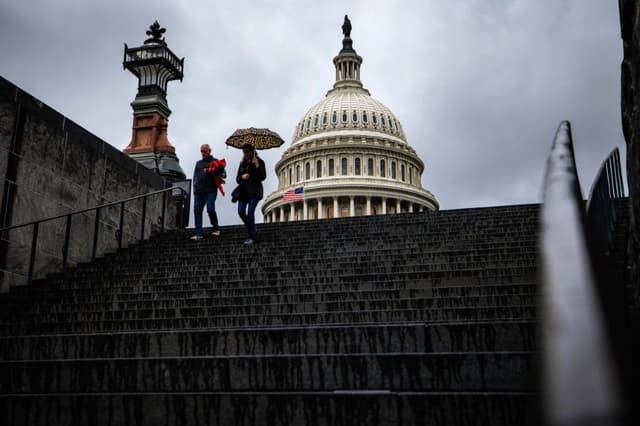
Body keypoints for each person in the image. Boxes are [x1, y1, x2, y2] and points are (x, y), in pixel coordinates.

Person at [191, 144, 225, 240]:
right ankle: (198, 233)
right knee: (197, 211)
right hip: (199, 191)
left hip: (211, 190)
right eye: (201, 151)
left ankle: (215, 228)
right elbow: (195, 176)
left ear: (209, 151)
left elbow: (223, 174)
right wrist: (195, 188)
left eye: (204, 151)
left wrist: (212, 171)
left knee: (210, 209)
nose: (203, 153)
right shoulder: (198, 163)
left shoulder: (216, 162)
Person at [235, 143, 266, 245]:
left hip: (254, 191)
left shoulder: (260, 161)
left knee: (250, 212)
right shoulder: (242, 163)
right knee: (240, 211)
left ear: (252, 151)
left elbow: (263, 177)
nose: (245, 154)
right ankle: (254, 232)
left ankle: (251, 235)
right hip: (243, 192)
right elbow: (237, 179)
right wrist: (243, 176)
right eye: (244, 152)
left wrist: (257, 165)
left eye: (247, 152)